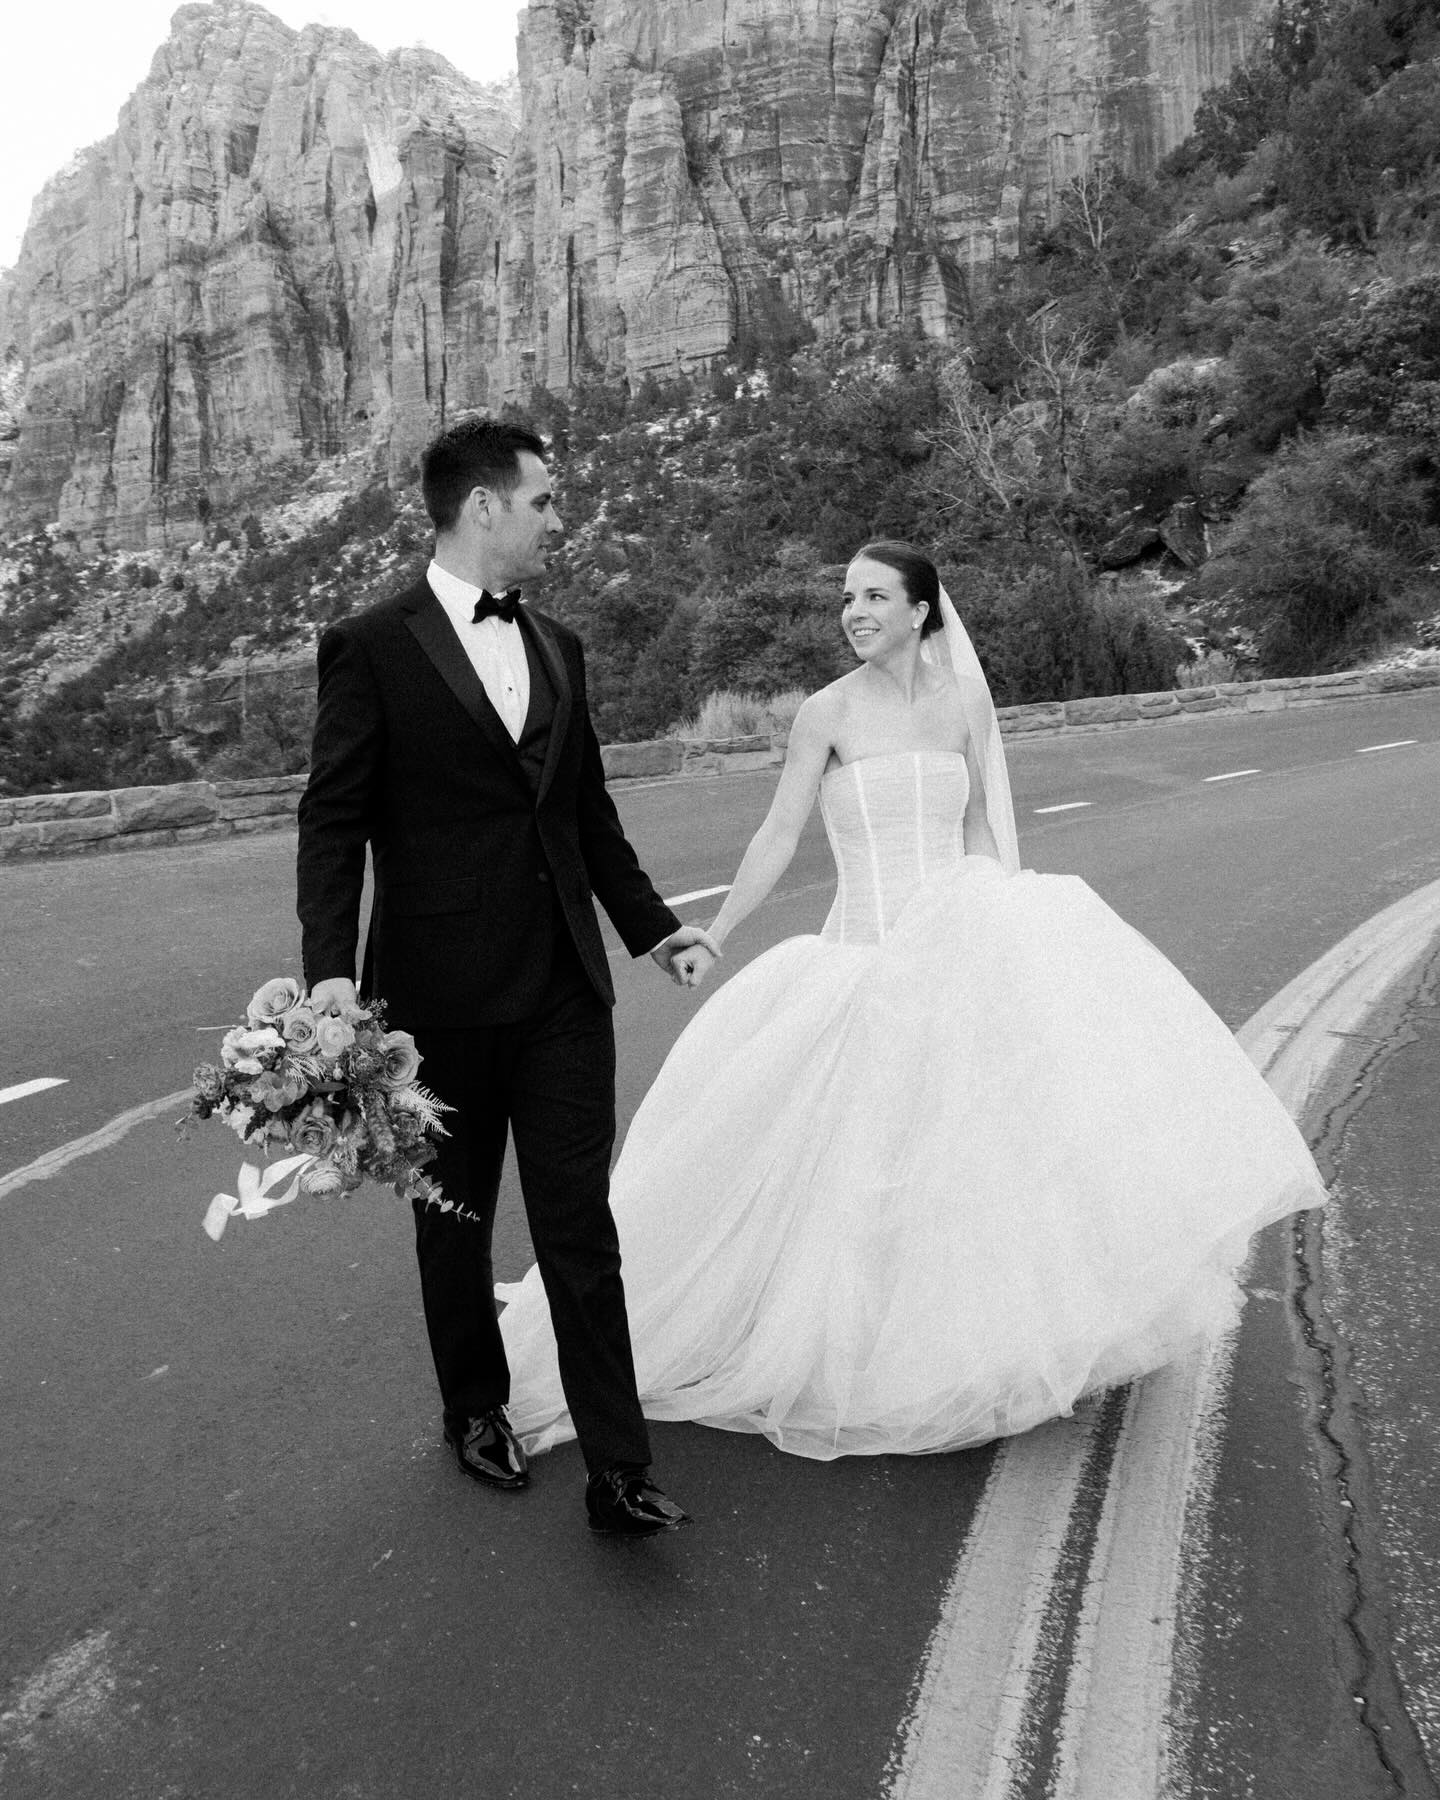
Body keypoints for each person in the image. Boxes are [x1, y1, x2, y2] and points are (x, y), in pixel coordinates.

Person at [494, 541, 1329, 1460]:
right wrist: (717, 932)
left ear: (922, 611)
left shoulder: (966, 703)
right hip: (863, 956)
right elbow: (779, 833)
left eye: (875, 596)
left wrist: (1008, 934)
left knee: (981, 1161)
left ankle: (985, 1342)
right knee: (855, 1162)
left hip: (962, 943)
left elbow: (978, 828)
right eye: (847, 597)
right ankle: (835, 1340)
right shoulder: (826, 712)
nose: (854, 611)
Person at [295, 417, 716, 1532]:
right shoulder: (369, 644)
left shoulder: (561, 647)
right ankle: (473, 1409)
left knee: (581, 1223)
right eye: (543, 500)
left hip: (564, 989)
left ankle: (619, 1471)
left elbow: (586, 815)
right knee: (456, 1217)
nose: (556, 518)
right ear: (484, 507)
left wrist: (656, 929)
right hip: (432, 999)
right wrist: (329, 977)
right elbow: (332, 823)